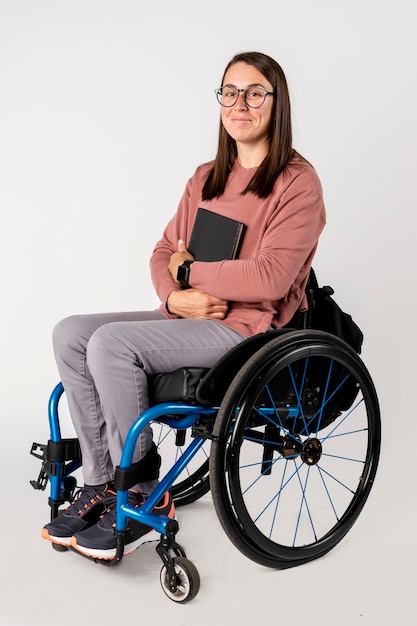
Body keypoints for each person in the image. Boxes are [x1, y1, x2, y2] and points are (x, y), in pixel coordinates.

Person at [42, 51, 326, 560]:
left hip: (247, 330)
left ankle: (142, 481)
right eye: (230, 92)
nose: (241, 103)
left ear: (277, 103)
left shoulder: (297, 183)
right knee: (70, 333)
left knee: (110, 344)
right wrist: (176, 296)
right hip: (185, 316)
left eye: (255, 92)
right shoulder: (206, 177)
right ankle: (103, 480)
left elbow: (271, 277)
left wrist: (189, 271)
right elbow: (161, 252)